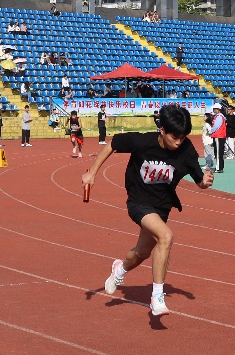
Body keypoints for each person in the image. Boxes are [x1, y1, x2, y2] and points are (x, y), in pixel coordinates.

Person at [87, 105, 214, 318]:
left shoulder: (186, 149)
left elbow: (199, 181)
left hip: (162, 207)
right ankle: (157, 297)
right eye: (175, 137)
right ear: (162, 130)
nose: (179, 142)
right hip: (138, 201)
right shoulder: (142, 141)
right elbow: (113, 144)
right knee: (166, 236)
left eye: (183, 137)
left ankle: (120, 269)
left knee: (141, 253)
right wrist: (92, 173)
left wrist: (205, 182)